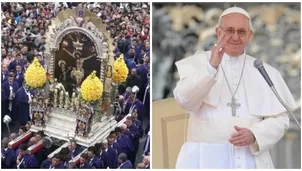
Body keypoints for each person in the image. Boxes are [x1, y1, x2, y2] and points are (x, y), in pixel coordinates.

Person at [173, 7, 296, 169]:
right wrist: (211, 67)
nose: (235, 37)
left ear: (249, 35)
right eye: (230, 31)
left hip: (250, 159)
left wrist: (255, 134)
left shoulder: (263, 70)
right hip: (204, 159)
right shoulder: (198, 64)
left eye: (241, 32)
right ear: (218, 32)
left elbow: (281, 119)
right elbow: (185, 101)